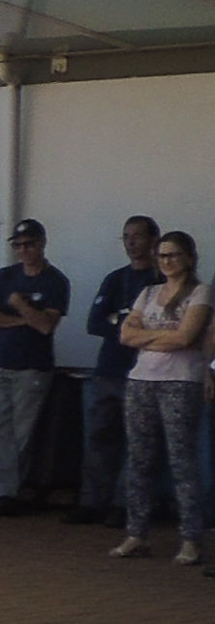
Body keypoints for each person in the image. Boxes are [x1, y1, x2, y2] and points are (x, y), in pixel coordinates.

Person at [112, 231, 211, 564]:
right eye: (162, 256)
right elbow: (125, 335)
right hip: (141, 380)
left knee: (182, 461)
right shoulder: (148, 292)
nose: (167, 262)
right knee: (140, 460)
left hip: (181, 382)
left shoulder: (200, 292)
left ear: (189, 257)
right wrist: (163, 336)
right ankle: (137, 534)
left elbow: (186, 337)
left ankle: (191, 539)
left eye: (174, 255)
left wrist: (149, 337)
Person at [67, 216, 162, 526]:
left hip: (143, 373)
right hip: (107, 369)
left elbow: (158, 327)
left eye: (137, 236)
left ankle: (126, 505)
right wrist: (127, 324)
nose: (131, 243)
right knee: (99, 438)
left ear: (153, 240)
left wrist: (119, 320)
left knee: (138, 442)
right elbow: (94, 322)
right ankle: (93, 502)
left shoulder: (161, 280)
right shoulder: (114, 279)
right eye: (126, 237)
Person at [0, 219, 71, 515]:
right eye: (17, 245)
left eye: (28, 244)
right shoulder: (5, 275)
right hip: (0, 361)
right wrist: (24, 319)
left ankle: (12, 492)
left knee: (22, 431)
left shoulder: (55, 280)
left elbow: (46, 326)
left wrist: (19, 305)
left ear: (42, 243)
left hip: (33, 366)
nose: (23, 250)